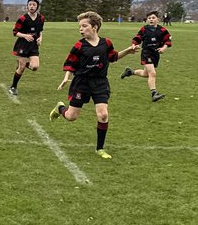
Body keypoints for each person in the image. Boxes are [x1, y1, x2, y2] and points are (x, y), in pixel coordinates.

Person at [49, 11, 138, 159]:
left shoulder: (106, 43)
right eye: (80, 27)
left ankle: (100, 148)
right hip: (81, 83)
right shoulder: (79, 45)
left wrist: (128, 51)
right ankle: (60, 108)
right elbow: (70, 64)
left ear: (95, 27)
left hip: (100, 82)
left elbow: (113, 57)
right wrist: (66, 78)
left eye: (84, 26)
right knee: (71, 117)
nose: (81, 29)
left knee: (103, 114)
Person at [119, 10, 172, 102]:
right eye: (149, 18)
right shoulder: (144, 29)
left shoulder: (163, 30)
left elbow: (167, 40)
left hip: (156, 54)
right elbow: (138, 38)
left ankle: (130, 72)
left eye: (153, 18)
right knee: (152, 73)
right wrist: (134, 45)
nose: (151, 19)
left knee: (146, 74)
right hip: (146, 53)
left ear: (158, 20)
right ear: (147, 20)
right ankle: (154, 93)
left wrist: (164, 48)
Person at [9, 0, 45, 95]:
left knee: (35, 67)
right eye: (30, 4)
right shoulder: (22, 19)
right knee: (21, 68)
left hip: (33, 45)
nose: (32, 6)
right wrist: (25, 36)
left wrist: (40, 38)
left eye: (34, 5)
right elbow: (15, 32)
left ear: (37, 6)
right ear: (27, 6)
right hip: (22, 45)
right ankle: (13, 87)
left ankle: (22, 64)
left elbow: (40, 31)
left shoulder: (41, 18)